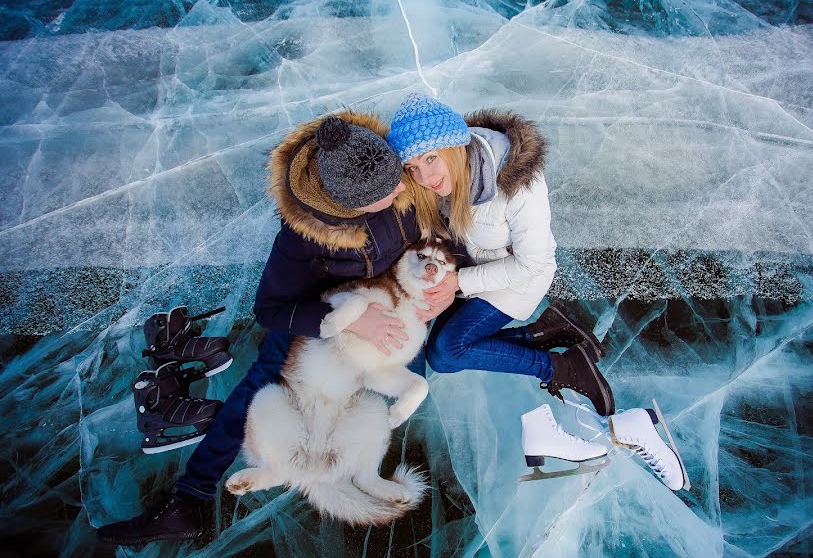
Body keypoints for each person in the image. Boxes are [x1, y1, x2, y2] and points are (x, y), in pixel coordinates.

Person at [96, 111, 453, 545]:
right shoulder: (303, 238)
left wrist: (451, 283)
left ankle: (356, 461)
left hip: (389, 293)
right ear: (349, 207)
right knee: (262, 382)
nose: (403, 188)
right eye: (387, 191)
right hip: (323, 310)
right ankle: (187, 500)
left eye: (398, 178)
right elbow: (269, 308)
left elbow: (446, 229)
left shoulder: (394, 174)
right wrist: (351, 318)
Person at [386, 94, 615, 416]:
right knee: (439, 355)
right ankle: (546, 331)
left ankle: (562, 368)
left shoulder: (518, 182)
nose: (424, 177)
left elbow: (531, 262)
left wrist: (457, 283)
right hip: (468, 268)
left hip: (516, 277)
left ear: (453, 146)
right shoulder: (434, 182)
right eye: (412, 167)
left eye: (430, 159)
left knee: (448, 352)